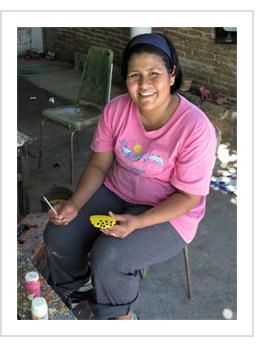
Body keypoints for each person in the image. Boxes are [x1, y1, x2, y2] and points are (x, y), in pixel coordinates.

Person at [44, 32, 217, 320]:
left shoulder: (196, 128)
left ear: (172, 74)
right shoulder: (116, 109)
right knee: (59, 234)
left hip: (169, 211)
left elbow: (189, 197)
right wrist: (75, 202)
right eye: (134, 75)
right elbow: (99, 165)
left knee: (110, 257)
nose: (144, 84)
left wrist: (139, 222)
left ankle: (120, 319)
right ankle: (77, 291)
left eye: (154, 74)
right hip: (117, 191)